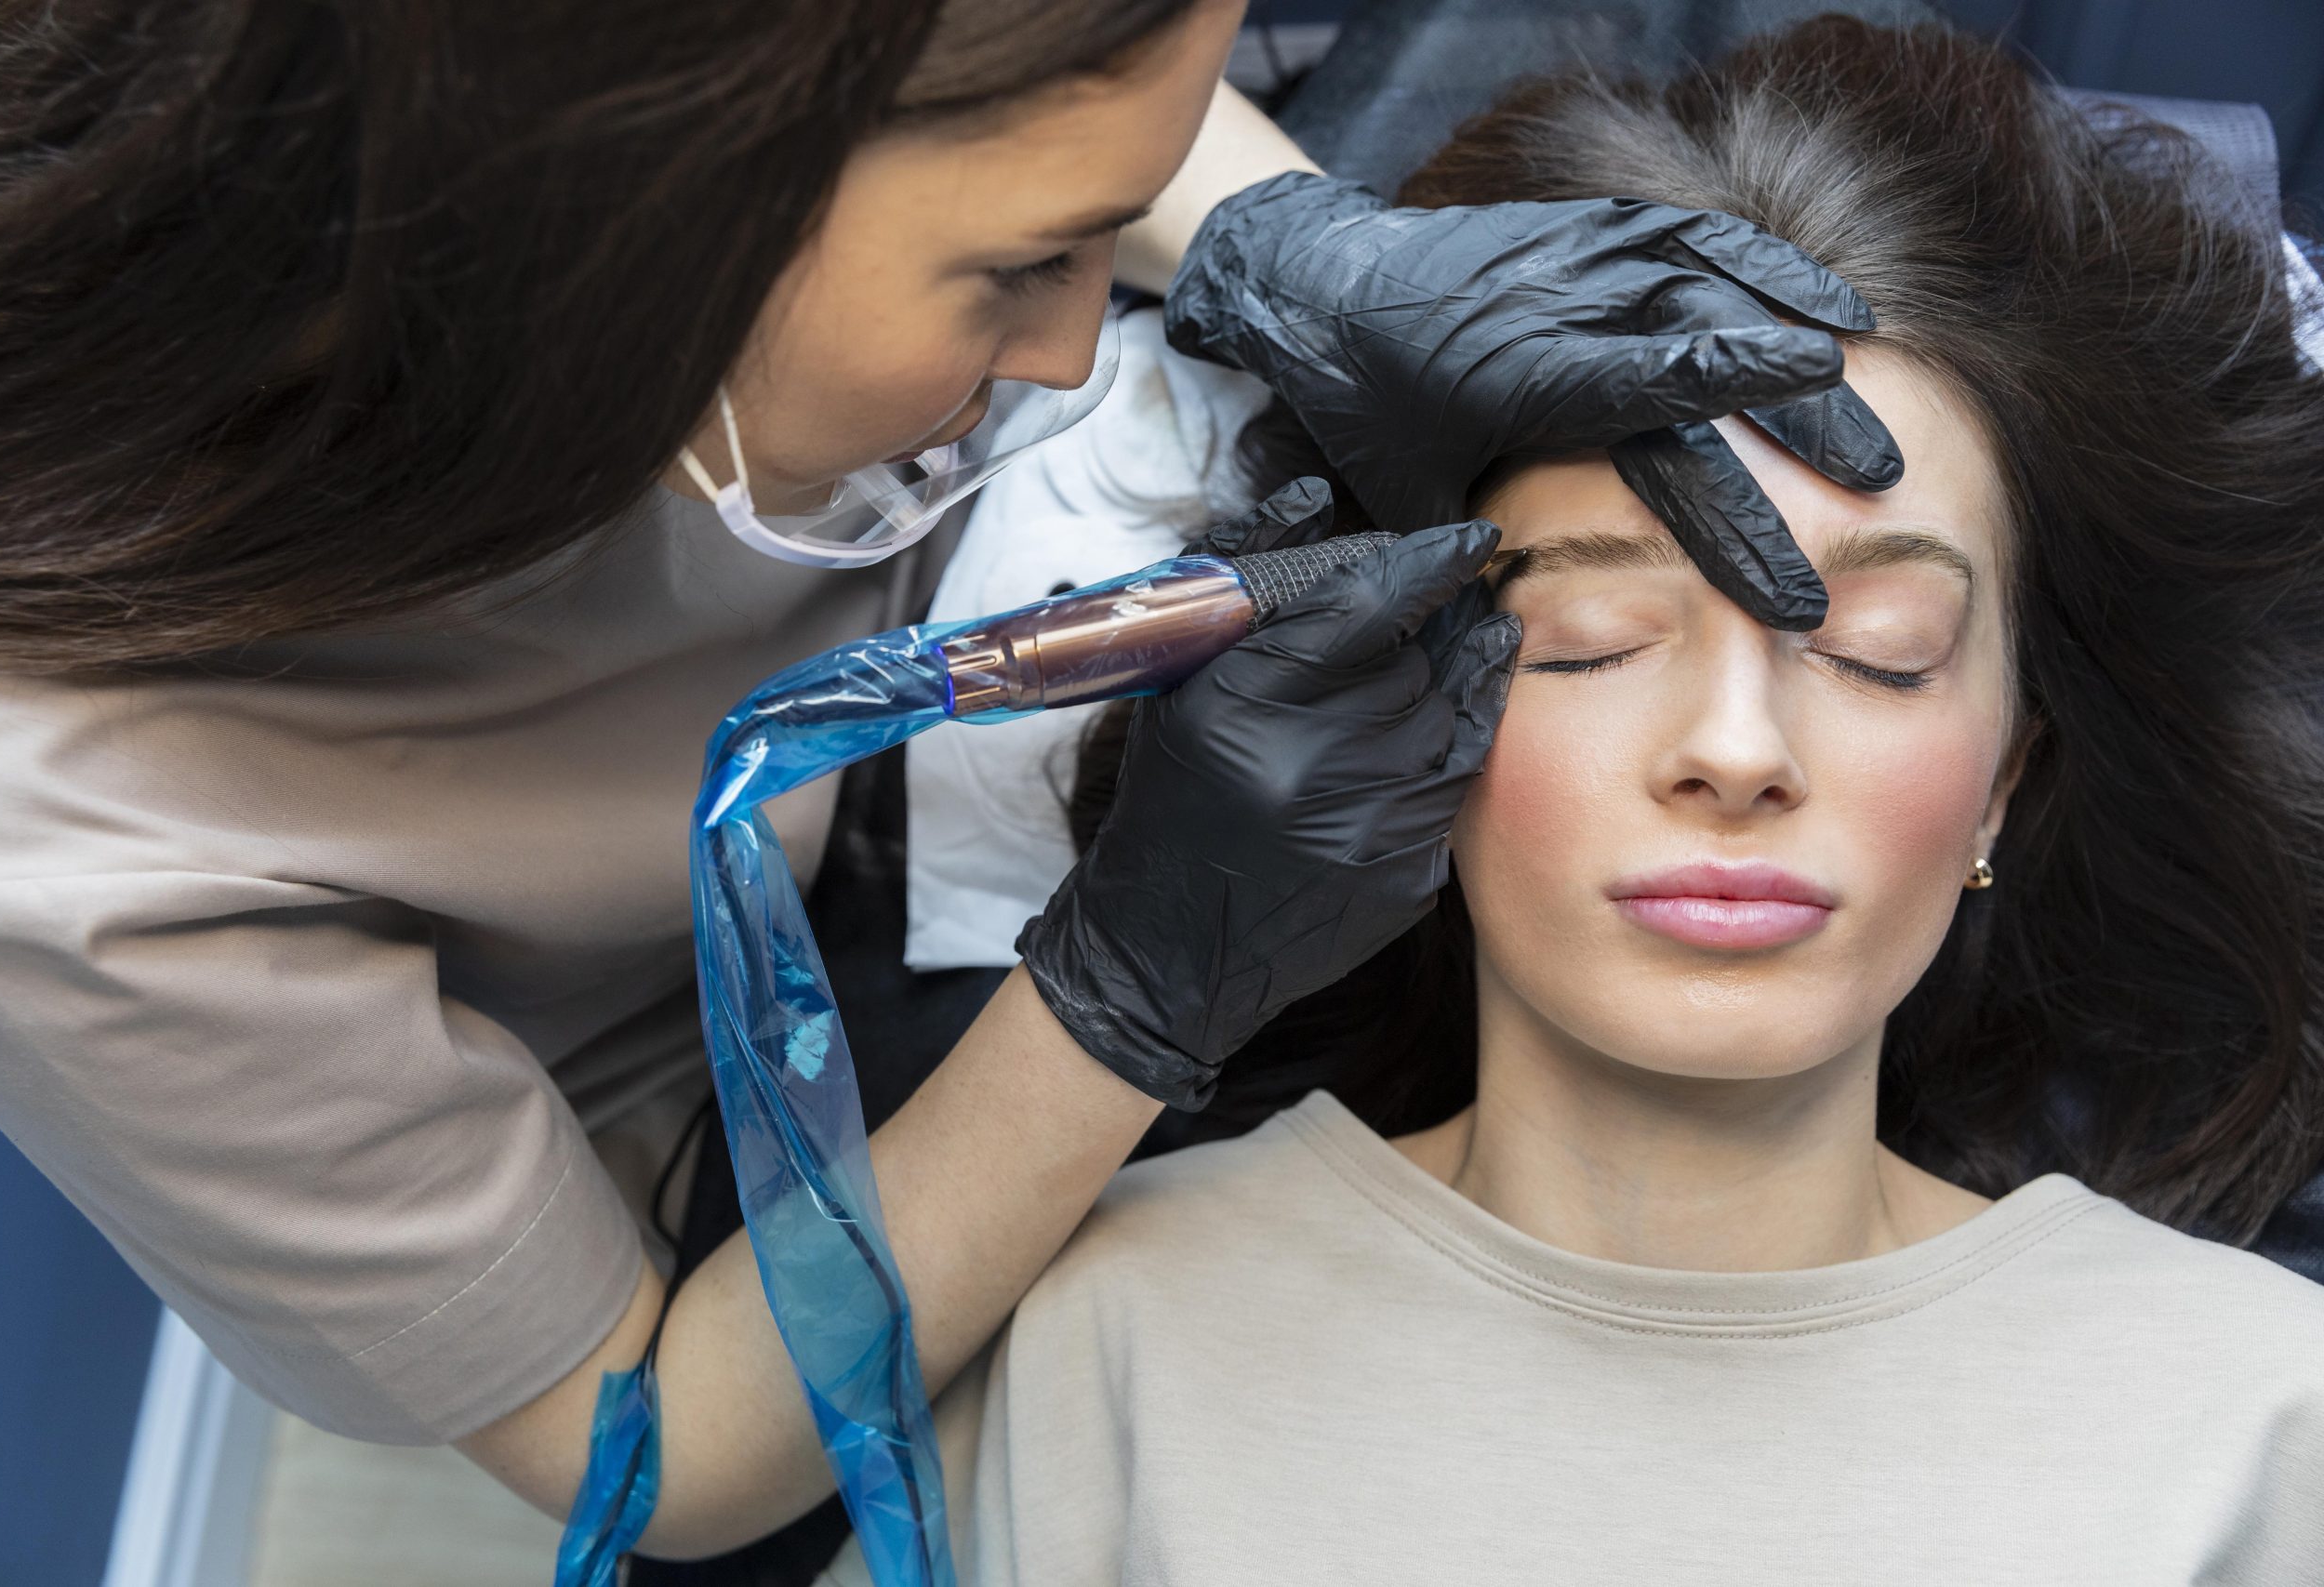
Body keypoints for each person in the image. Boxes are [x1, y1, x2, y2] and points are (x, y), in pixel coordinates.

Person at [0, 0, 1912, 1561]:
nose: (1077, 354)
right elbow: (662, 1450)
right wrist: (1133, 978)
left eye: (1886, 650)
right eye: (1021, 268)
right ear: (624, 227)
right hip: (807, 1039)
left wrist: (1286, 228)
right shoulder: (51, 844)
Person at [874, 19, 2324, 1581]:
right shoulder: (1103, 1343)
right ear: (1392, 715)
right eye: (1592, 636)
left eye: (1880, 652)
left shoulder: (2261, 1418)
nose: (1735, 749)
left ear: (2006, 781)